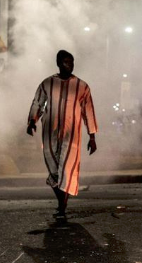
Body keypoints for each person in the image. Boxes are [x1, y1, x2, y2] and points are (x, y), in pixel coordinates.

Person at [27, 50, 98, 218]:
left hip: (72, 135)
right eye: (66, 62)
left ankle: (62, 206)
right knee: (54, 171)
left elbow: (88, 111)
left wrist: (92, 136)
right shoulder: (47, 83)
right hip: (49, 133)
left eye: (72, 62)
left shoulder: (82, 86)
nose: (70, 66)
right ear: (58, 63)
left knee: (66, 169)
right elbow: (38, 102)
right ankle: (61, 201)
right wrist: (32, 121)